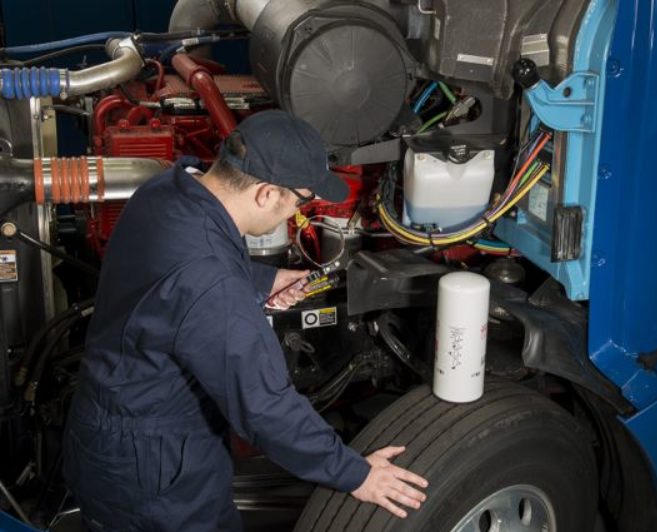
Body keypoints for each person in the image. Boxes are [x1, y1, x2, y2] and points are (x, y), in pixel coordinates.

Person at [63, 110, 428, 531]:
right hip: (157, 474)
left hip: (109, 430)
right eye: (299, 200)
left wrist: (264, 279)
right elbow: (264, 408)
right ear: (267, 193)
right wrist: (356, 474)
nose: (295, 213)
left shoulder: (167, 189)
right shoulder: (211, 283)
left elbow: (170, 273)